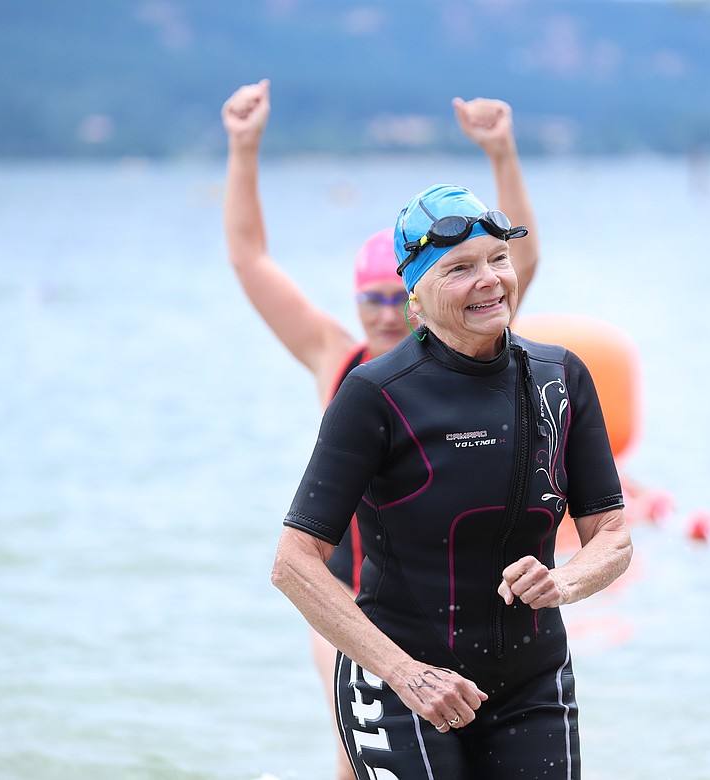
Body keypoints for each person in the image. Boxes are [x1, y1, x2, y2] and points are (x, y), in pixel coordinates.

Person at [222, 79, 541, 778]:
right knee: (354, 752)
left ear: (426, 293)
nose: (386, 315)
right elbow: (252, 262)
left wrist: (502, 153)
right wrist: (244, 149)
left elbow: (519, 258)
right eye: (370, 300)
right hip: (351, 603)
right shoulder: (338, 364)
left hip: (458, 607)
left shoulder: (471, 353)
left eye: (397, 299)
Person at [271, 184, 632, 778]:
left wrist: (564, 583)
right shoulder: (374, 394)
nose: (489, 278)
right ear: (415, 297)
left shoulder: (561, 377)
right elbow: (294, 563)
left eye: (497, 259)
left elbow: (613, 537)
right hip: (403, 687)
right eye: (460, 268)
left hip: (532, 679)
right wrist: (406, 674)